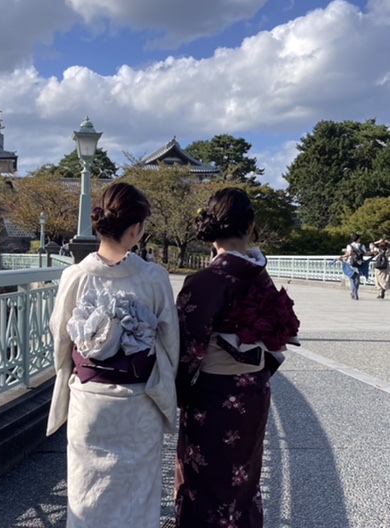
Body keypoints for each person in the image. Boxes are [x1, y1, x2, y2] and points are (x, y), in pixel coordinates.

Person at [47, 182, 179, 528]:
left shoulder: (73, 276)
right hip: (138, 402)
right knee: (138, 495)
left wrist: (73, 374)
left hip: (89, 400)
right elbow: (170, 342)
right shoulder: (153, 278)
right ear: (135, 230)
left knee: (87, 493)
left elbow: (61, 338)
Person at [174, 188, 300, 528]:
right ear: (252, 227)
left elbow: (186, 351)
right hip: (254, 390)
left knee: (205, 483)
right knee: (243, 480)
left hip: (214, 395)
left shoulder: (203, 282)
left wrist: (179, 393)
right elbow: (278, 336)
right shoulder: (261, 276)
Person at [340, 234, 371, 300]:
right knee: (357, 279)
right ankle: (355, 292)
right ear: (358, 239)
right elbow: (365, 254)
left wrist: (342, 256)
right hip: (360, 263)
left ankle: (354, 293)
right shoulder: (362, 246)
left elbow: (349, 253)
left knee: (352, 278)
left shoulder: (350, 245)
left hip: (351, 263)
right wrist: (372, 252)